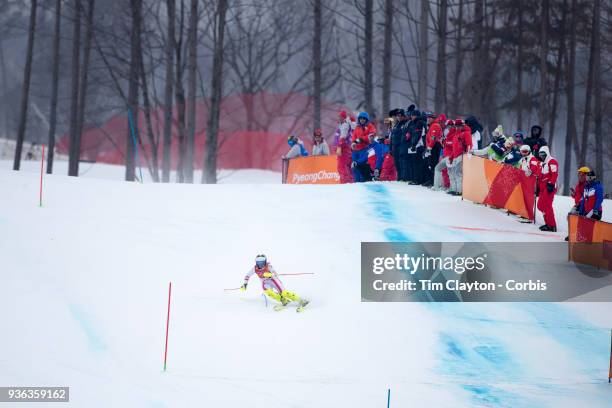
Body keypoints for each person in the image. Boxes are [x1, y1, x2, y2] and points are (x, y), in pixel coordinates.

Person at [241, 254, 309, 312]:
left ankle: (301, 300)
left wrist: (270, 274)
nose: (260, 264)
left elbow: (274, 273)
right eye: (258, 263)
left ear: (265, 262)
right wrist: (245, 284)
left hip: (273, 280)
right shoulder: (255, 268)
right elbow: (247, 275)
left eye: (262, 262)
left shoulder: (268, 266)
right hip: (265, 282)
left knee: (284, 292)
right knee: (268, 292)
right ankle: (283, 300)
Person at [447, 119, 472, 195]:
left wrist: (467, 153)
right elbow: (455, 147)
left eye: (459, 126)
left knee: (458, 173)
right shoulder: (456, 134)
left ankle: (460, 191)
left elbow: (469, 145)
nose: (457, 127)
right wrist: (451, 156)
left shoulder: (466, 133)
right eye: (456, 126)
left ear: (462, 125)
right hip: (455, 156)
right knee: (454, 172)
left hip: (461, 155)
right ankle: (455, 189)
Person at [536, 146, 558, 232]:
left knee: (546, 206)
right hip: (542, 188)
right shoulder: (542, 163)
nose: (541, 156)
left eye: (543, 154)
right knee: (541, 206)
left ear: (547, 153)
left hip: (549, 187)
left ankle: (552, 225)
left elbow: (554, 174)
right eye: (540, 154)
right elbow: (539, 176)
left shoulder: (552, 161)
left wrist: (551, 184)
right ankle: (548, 223)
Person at [351, 112, 376, 182]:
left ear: (366, 119)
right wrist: (353, 142)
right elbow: (354, 136)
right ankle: (356, 181)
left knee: (361, 165)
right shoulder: (357, 127)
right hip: (356, 150)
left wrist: (361, 139)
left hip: (365, 149)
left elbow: (372, 135)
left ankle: (363, 181)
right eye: (361, 118)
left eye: (364, 119)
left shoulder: (370, 126)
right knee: (354, 166)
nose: (362, 120)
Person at [432, 119, 456, 191]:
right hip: (446, 156)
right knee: (440, 169)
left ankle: (451, 187)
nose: (447, 128)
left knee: (450, 172)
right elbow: (444, 143)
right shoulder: (448, 133)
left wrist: (445, 142)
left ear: (452, 126)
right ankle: (441, 186)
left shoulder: (454, 133)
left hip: (451, 156)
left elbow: (453, 143)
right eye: (447, 126)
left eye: (448, 126)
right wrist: (439, 140)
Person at [423, 112, 446, 187]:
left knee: (433, 164)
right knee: (430, 164)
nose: (428, 119)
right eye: (428, 118)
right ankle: (431, 180)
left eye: (430, 118)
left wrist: (429, 148)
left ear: (433, 118)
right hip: (431, 146)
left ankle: (433, 181)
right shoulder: (432, 125)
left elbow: (433, 138)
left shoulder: (435, 126)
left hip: (434, 146)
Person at [333, 111, 354, 183]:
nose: (338, 118)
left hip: (343, 149)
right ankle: (350, 181)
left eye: (340, 116)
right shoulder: (342, 125)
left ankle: (345, 182)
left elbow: (343, 137)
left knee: (341, 166)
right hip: (345, 148)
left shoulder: (345, 125)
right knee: (346, 166)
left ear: (343, 117)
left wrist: (339, 147)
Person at [408, 110, 426, 184]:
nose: (411, 117)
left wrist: (414, 145)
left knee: (417, 163)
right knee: (416, 163)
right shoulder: (415, 122)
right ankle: (416, 179)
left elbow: (418, 135)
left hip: (418, 146)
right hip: (417, 145)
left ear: (416, 116)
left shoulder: (419, 122)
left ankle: (417, 180)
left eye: (412, 115)